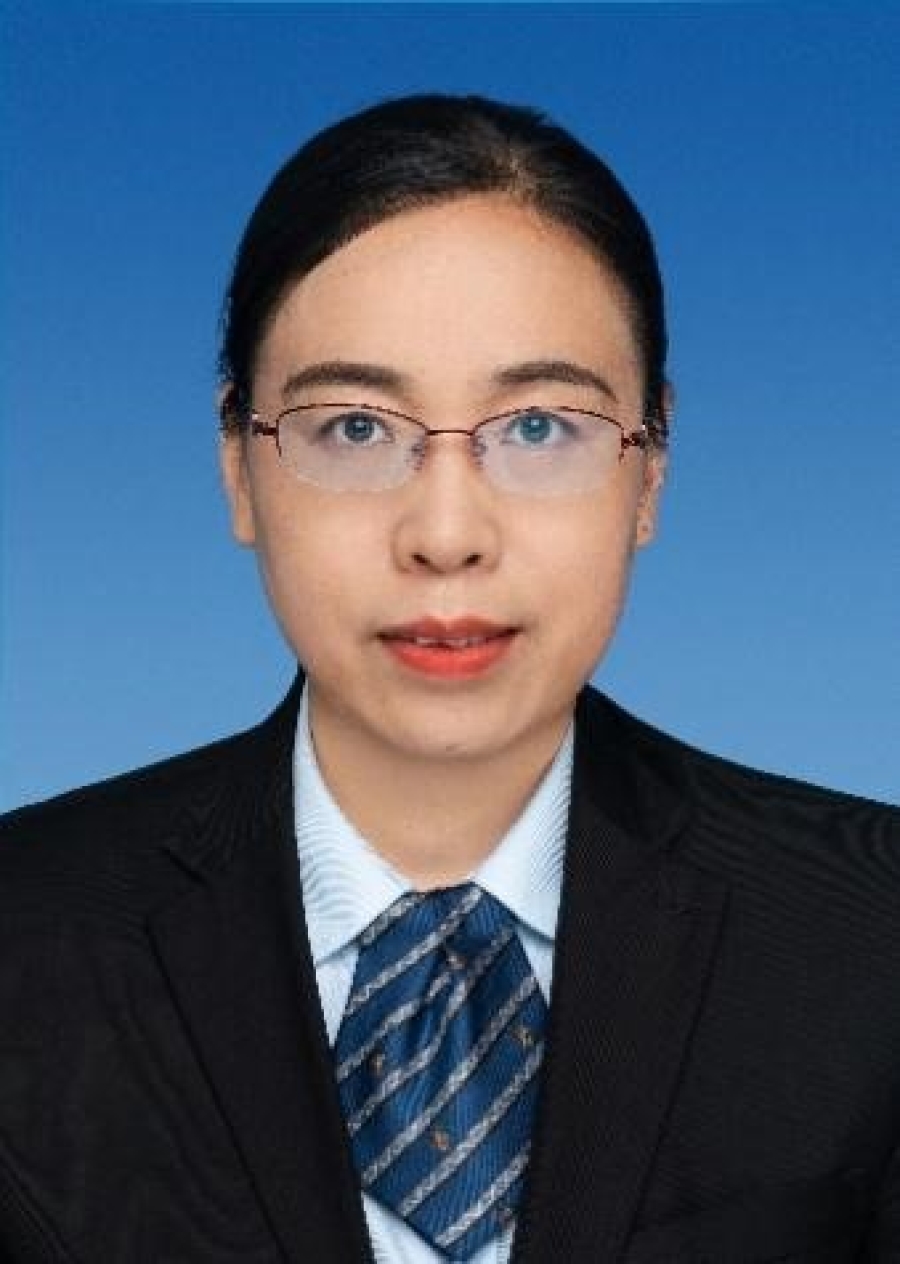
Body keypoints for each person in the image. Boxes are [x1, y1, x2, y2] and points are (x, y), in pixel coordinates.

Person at [1, 93, 898, 1264]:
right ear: (237, 465)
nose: (446, 534)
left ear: (650, 471)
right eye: (355, 428)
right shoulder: (25, 931)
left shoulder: (870, 933)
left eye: (538, 428)